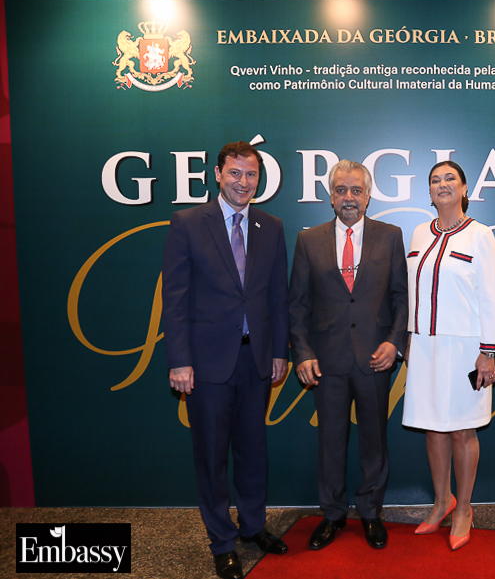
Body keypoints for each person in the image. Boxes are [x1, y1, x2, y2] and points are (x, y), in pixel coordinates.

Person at [162, 141, 289, 579]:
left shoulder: (272, 226)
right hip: (206, 364)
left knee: (254, 451)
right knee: (212, 456)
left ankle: (253, 527)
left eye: (251, 174)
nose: (243, 182)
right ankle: (221, 540)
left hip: (257, 360)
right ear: (218, 174)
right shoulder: (187, 223)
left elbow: (277, 296)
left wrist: (280, 350)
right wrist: (180, 360)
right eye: (235, 173)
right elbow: (175, 298)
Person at [288, 160, 408, 550]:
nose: (349, 197)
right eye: (341, 190)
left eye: (356, 190)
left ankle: (371, 513)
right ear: (330, 196)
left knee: (375, 441)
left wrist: (394, 342)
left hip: (376, 357)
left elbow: (401, 297)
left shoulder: (390, 236)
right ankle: (333, 514)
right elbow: (297, 304)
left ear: (368, 196)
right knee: (330, 441)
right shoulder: (309, 240)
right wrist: (302, 352)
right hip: (326, 360)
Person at [402, 161, 495, 551]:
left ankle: (465, 508)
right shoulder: (417, 232)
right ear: (429, 192)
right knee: (433, 427)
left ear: (464, 189)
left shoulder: (480, 235)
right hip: (425, 347)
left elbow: (489, 297)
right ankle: (443, 501)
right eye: (435, 180)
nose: (441, 185)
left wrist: (488, 353)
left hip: (466, 350)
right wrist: (408, 338)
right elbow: (410, 292)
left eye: (450, 179)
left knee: (462, 429)